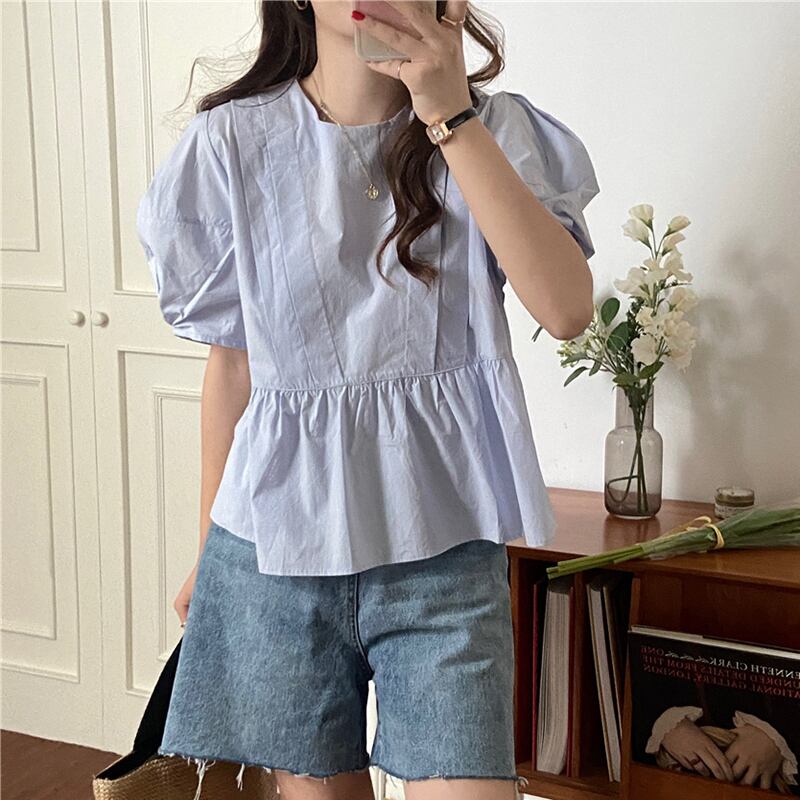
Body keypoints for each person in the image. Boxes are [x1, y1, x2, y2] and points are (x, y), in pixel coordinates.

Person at [135, 1, 599, 798]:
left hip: (445, 548)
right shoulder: (231, 143)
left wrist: (448, 112)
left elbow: (565, 311)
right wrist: (209, 555)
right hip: (277, 553)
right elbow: (233, 368)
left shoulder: (493, 130)